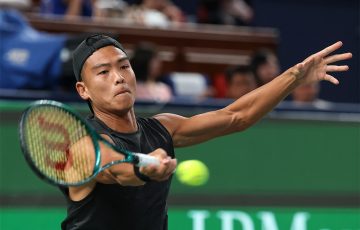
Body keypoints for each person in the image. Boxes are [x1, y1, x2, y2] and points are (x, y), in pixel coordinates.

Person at [65, 34, 351, 230]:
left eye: (124, 66)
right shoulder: (84, 143)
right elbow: (115, 169)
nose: (118, 77)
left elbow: (237, 116)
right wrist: (145, 168)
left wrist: (294, 77)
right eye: (103, 72)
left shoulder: (162, 127)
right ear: (83, 89)